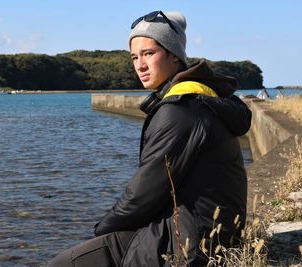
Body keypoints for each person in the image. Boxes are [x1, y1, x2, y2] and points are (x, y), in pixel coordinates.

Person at [47, 10, 251, 267]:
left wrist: (102, 230)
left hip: (189, 246)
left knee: (62, 264)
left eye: (148, 54)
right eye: (134, 57)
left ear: (174, 54)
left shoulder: (180, 111)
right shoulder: (202, 99)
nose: (140, 65)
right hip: (205, 234)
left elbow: (142, 194)